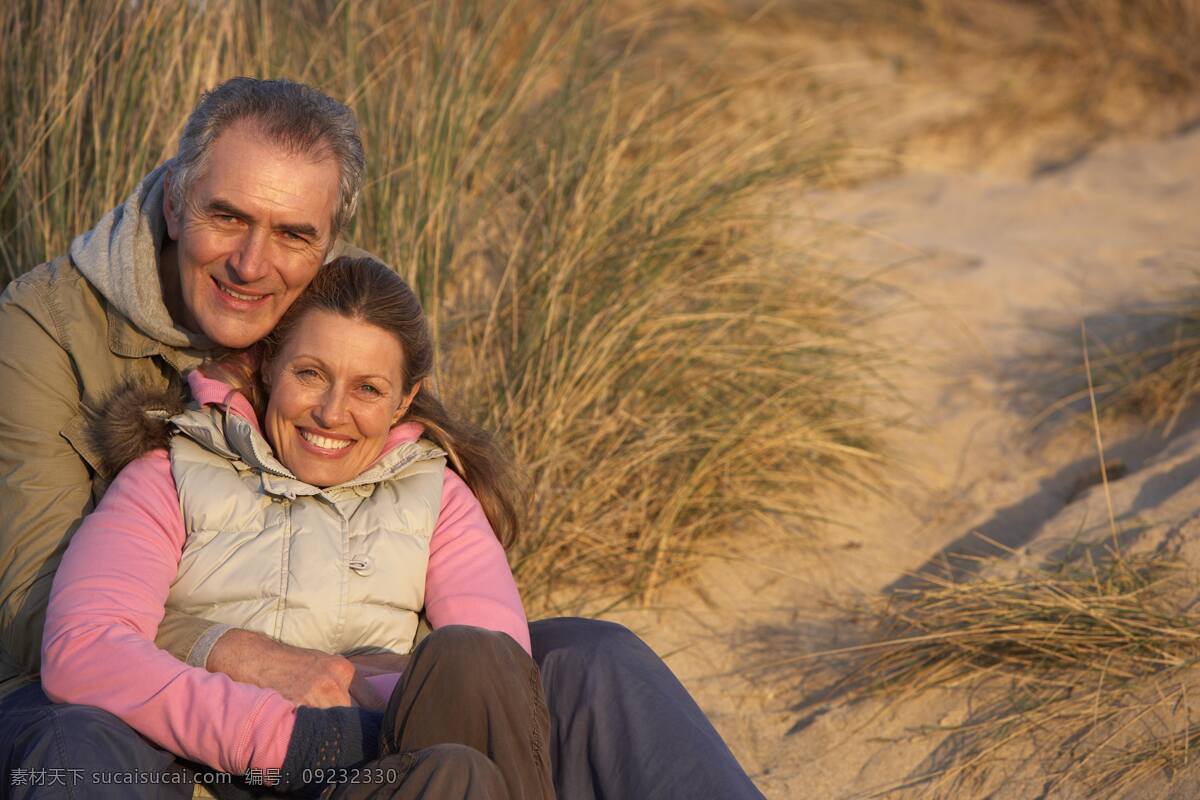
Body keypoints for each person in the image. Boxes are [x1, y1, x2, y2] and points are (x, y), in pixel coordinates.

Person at [0, 76, 765, 799]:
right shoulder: (41, 335)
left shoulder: (342, 314)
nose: (251, 263)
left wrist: (376, 684)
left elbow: (410, 495)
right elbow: (43, 618)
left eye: (294, 233)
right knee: (78, 742)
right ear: (176, 201)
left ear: (329, 242)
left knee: (594, 659)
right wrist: (237, 653)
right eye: (228, 216)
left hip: (356, 677)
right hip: (123, 690)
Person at [42, 257, 554, 799]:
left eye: (368, 390)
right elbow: (85, 648)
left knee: (475, 676)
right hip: (231, 768)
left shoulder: (437, 497)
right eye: (310, 374)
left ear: (405, 399)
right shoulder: (170, 474)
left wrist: (366, 707)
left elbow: (496, 688)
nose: (332, 413)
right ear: (267, 365)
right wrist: (287, 734)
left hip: (394, 768)